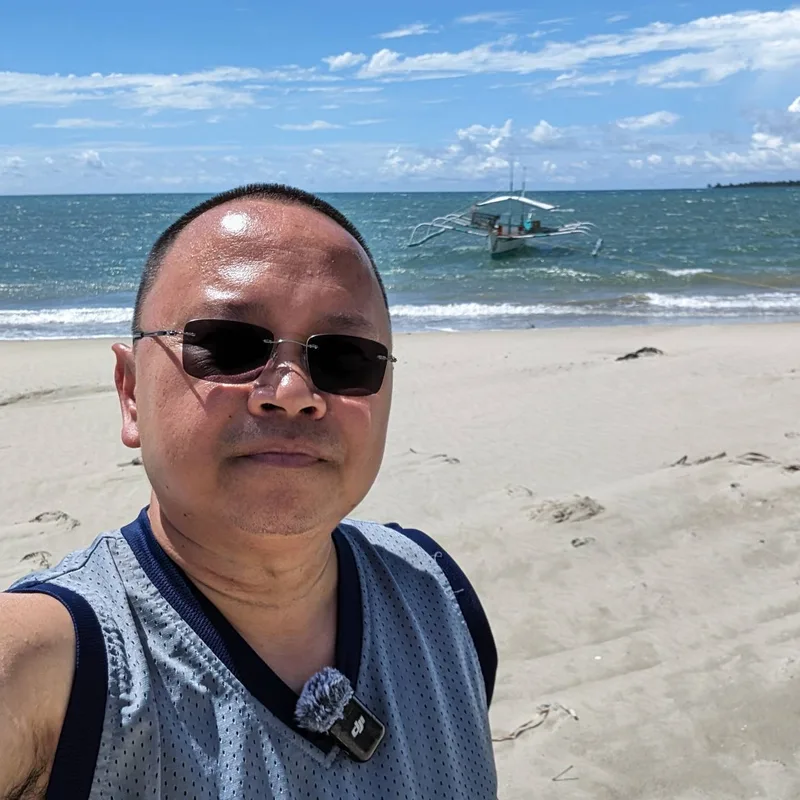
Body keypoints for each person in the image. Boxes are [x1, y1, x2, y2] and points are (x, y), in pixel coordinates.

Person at [0, 184, 498, 799]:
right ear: (130, 394)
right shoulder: (53, 663)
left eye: (346, 357)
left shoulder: (437, 597)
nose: (291, 392)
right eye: (228, 345)